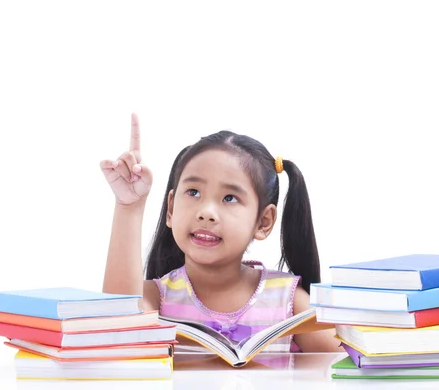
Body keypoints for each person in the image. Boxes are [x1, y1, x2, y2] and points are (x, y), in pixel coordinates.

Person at [100, 113, 341, 353]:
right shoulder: (156, 299)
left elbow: (344, 370)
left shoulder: (289, 302)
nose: (206, 212)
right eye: (193, 192)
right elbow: (119, 332)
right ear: (171, 208)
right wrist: (129, 207)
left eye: (229, 198)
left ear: (263, 221)